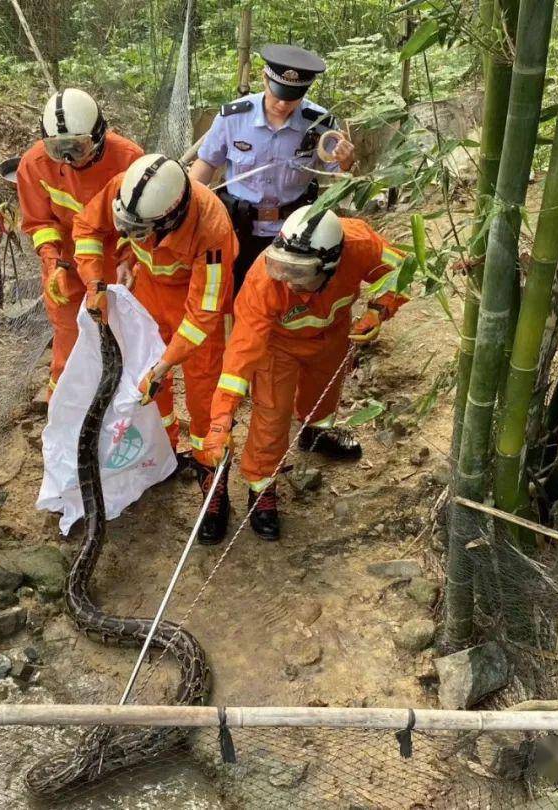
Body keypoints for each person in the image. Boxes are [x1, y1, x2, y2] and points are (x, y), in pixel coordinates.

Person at [201, 206, 407, 542]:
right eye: (284, 269)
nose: (288, 281)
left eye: (299, 274)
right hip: (277, 348)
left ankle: (316, 433)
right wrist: (221, 418)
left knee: (323, 394)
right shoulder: (263, 283)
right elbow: (240, 353)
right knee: (271, 417)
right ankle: (262, 488)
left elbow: (406, 271)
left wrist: (378, 310)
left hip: (334, 335)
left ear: (330, 264)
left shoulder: (360, 243)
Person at [73, 153, 238, 543]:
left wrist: (165, 365)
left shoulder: (212, 230)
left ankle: (213, 485)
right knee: (149, 395)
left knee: (205, 401)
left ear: (169, 220)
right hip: (149, 296)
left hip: (198, 312)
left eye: (141, 232)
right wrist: (97, 283)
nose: (135, 234)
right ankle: (162, 455)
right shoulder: (129, 190)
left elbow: (202, 317)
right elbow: (88, 229)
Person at [189, 44, 355, 295]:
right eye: (277, 93)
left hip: (292, 235)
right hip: (236, 229)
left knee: (284, 302)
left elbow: (341, 175)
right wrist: (191, 208)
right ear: (264, 79)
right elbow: (207, 163)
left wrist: (346, 161)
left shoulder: (320, 123)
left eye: (292, 97)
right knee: (231, 296)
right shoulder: (233, 118)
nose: (282, 103)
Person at [16, 88, 143, 402]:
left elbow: (138, 220)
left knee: (117, 327)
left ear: (98, 136)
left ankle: (118, 395)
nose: (68, 158)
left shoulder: (128, 159)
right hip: (66, 261)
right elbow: (39, 223)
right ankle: (63, 397)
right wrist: (52, 263)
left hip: (114, 257)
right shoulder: (34, 164)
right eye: (58, 149)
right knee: (67, 327)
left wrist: (129, 258)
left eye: (77, 147)